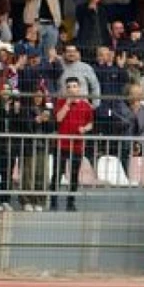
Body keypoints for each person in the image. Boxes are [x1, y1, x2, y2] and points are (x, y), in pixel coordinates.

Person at [51, 78, 94, 212]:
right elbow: (58, 118)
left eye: (74, 86)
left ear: (79, 88)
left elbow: (90, 123)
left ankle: (71, 201)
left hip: (77, 145)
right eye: (69, 87)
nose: (72, 89)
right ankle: (53, 201)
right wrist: (67, 105)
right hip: (61, 144)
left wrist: (85, 129)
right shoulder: (61, 102)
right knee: (57, 173)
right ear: (66, 89)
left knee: (74, 175)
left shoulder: (86, 106)